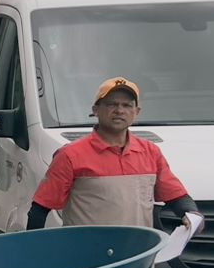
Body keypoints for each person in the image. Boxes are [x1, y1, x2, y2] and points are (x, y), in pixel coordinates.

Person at [27, 77, 199, 229]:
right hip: (86, 258)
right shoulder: (70, 155)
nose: (119, 110)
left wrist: (191, 214)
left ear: (136, 112)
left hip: (137, 255)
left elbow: (176, 196)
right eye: (111, 104)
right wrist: (34, 255)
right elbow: (40, 209)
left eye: (127, 105)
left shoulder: (150, 152)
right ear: (95, 110)